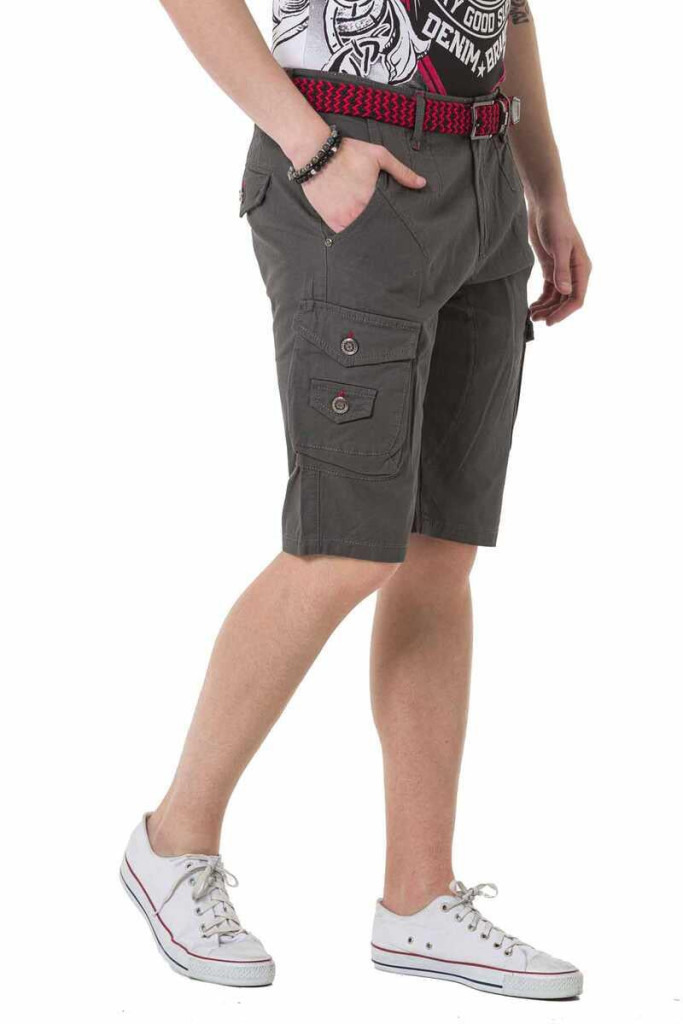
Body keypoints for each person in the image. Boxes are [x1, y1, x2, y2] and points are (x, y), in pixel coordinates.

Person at [120, 0, 591, 998]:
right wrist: (312, 148)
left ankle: (418, 901)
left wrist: (544, 188)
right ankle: (172, 841)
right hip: (350, 160)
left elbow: (506, 14)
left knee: (437, 548)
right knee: (344, 544)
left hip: (483, 178)